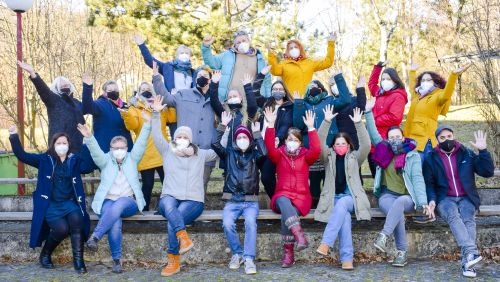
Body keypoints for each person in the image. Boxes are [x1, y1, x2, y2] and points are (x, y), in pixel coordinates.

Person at [149, 96, 219, 277]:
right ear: (174, 137)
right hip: (169, 197)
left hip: (193, 200)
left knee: (176, 218)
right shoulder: (167, 151)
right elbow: (156, 133)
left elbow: (219, 149)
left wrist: (224, 127)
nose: (181, 138)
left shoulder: (201, 154)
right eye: (178, 136)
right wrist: (156, 113)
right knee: (171, 208)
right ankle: (183, 238)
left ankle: (173, 260)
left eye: (185, 137)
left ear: (190, 140)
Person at [8, 125, 93, 273]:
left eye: (64, 143)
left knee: (77, 219)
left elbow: (89, 167)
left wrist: (87, 140)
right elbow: (22, 155)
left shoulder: (74, 160)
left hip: (69, 203)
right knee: (61, 229)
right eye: (58, 143)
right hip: (51, 205)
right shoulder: (44, 160)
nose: (61, 146)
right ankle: (45, 254)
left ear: (69, 145)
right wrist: (14, 136)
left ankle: (79, 262)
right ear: (53, 145)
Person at [423, 126, 494, 278]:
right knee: (453, 215)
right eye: (442, 138)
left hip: (467, 197)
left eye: (449, 136)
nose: (447, 140)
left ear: (454, 136)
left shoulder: (466, 153)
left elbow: (487, 172)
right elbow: (429, 184)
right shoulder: (430, 157)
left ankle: (468, 263)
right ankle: (472, 253)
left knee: (468, 219)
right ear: (437, 140)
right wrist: (432, 200)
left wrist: (483, 151)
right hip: (445, 198)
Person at [365, 100, 429, 267]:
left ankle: (384, 236)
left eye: (397, 137)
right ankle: (402, 253)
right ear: (387, 139)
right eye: (391, 137)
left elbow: (417, 178)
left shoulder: (412, 155)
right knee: (396, 212)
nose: (394, 140)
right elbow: (373, 133)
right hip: (387, 195)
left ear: (403, 137)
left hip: (407, 197)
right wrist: (367, 112)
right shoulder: (383, 149)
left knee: (400, 203)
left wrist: (422, 202)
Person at [79, 119, 149, 273]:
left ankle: (95, 237)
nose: (119, 150)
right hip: (107, 202)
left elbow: (142, 143)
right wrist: (89, 137)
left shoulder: (132, 158)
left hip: (129, 201)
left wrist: (147, 124)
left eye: (122, 147)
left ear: (126, 148)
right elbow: (95, 152)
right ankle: (117, 261)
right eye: (115, 148)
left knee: (119, 204)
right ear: (110, 149)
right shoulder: (105, 161)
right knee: (115, 221)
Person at [315, 107, 371, 270]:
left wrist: (359, 124)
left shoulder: (355, 157)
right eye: (337, 143)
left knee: (342, 206)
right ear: (333, 145)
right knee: (344, 219)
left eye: (343, 144)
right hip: (333, 198)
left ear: (348, 145)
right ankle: (347, 259)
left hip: (351, 198)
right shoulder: (328, 157)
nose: (340, 146)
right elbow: (318, 142)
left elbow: (366, 145)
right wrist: (326, 121)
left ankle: (326, 243)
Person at [263, 109, 321, 268]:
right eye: (289, 139)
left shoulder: (306, 155)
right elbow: (269, 147)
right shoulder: (279, 154)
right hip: (282, 195)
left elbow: (316, 150)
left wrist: (311, 128)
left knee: (287, 214)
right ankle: (299, 236)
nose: (292, 142)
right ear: (285, 140)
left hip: (301, 197)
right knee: (283, 201)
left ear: (301, 142)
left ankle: (289, 254)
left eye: (295, 139)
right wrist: (270, 125)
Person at [212, 112, 266, 275]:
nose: (242, 139)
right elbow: (214, 143)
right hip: (232, 200)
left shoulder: (255, 155)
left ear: (249, 139)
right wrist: (223, 126)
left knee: (250, 222)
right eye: (239, 137)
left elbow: (264, 152)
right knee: (227, 223)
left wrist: (257, 134)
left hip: (250, 201)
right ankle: (237, 253)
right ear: (235, 139)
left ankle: (249, 258)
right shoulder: (229, 153)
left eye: (245, 137)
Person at [153, 62, 218, 190]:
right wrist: (156, 78)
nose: (201, 77)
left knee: (200, 188)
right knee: (178, 185)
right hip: (183, 150)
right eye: (199, 75)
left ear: (210, 79)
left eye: (205, 75)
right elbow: (166, 98)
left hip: (204, 152)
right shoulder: (183, 94)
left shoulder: (216, 99)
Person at [293, 75, 351, 207]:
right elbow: (298, 124)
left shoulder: (329, 100)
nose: (313, 89)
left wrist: (340, 80)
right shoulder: (303, 103)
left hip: (329, 145)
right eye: (310, 87)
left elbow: (346, 100)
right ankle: (315, 207)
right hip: (310, 146)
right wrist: (298, 104)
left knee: (329, 177)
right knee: (313, 180)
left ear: (321, 88)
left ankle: (329, 205)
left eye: (316, 86)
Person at [120, 81, 175, 211]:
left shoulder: (159, 105)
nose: (146, 91)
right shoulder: (135, 108)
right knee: (147, 184)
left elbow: (172, 118)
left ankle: (167, 208)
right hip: (145, 153)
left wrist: (172, 102)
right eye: (143, 89)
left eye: (148, 88)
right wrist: (126, 114)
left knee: (167, 183)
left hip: (162, 151)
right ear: (139, 93)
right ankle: (143, 210)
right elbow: (131, 126)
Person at [404, 63, 471, 160]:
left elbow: (447, 94)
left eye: (428, 80)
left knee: (423, 171)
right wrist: (412, 72)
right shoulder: (417, 95)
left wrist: (453, 75)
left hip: (424, 141)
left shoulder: (438, 95)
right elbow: (411, 88)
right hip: (410, 139)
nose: (425, 82)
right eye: (422, 80)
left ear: (435, 81)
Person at [17, 61, 86, 153]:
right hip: (59, 146)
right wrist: (32, 73)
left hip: (77, 146)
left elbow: (89, 109)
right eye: (62, 86)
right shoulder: (54, 101)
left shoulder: (77, 103)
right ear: (56, 88)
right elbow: (43, 90)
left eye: (66, 85)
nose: (65, 87)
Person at [133, 34, 194, 133]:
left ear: (190, 56)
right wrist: (141, 45)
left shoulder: (193, 72)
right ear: (177, 55)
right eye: (182, 52)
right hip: (173, 106)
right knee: (176, 135)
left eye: (187, 53)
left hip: (188, 107)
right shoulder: (168, 67)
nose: (184, 54)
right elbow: (150, 61)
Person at [252, 66, 294, 198]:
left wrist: (278, 137)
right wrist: (261, 75)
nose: (277, 91)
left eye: (280, 89)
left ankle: (278, 200)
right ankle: (277, 200)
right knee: (265, 177)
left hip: (277, 146)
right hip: (261, 145)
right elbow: (254, 91)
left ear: (285, 91)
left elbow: (286, 124)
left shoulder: (289, 107)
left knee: (267, 176)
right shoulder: (266, 104)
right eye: (275, 89)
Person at [201, 30, 271, 100]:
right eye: (238, 42)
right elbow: (212, 63)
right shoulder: (227, 55)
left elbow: (266, 80)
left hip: (251, 102)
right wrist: (206, 47)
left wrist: (268, 99)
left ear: (249, 41)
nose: (242, 43)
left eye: (244, 41)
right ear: (235, 45)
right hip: (229, 100)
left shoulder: (259, 58)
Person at [367, 61, 408, 177]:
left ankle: (384, 192)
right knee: (373, 166)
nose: (385, 81)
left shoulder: (398, 96)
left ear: (395, 80)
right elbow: (371, 85)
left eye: (388, 79)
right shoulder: (380, 93)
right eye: (383, 79)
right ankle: (377, 191)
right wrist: (378, 68)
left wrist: (373, 120)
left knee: (382, 170)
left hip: (386, 139)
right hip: (372, 138)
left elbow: (394, 117)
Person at [267, 33, 336, 97]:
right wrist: (271, 55)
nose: (294, 49)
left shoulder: (309, 62)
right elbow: (274, 71)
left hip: (307, 100)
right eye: (291, 48)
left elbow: (328, 62)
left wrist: (331, 44)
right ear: (287, 51)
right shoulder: (284, 64)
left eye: (296, 47)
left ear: (300, 49)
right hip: (291, 101)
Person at [81, 75, 133, 154]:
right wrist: (87, 88)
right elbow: (87, 107)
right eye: (110, 90)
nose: (113, 91)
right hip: (107, 150)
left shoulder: (125, 106)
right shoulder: (99, 104)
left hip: (125, 149)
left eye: (115, 89)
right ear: (104, 93)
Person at [328, 75, 367, 150]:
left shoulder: (353, 99)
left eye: (336, 83)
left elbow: (361, 110)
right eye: (332, 85)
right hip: (336, 139)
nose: (334, 86)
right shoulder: (331, 102)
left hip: (352, 138)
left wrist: (360, 89)